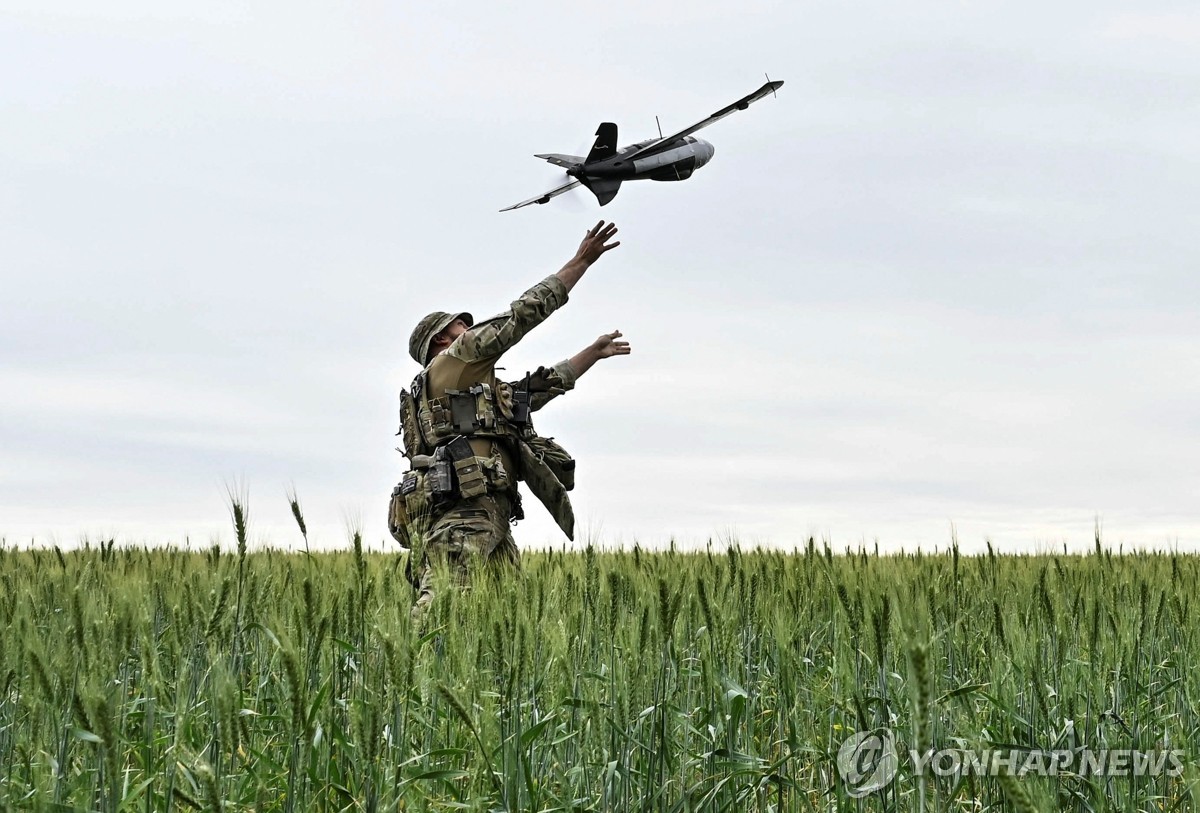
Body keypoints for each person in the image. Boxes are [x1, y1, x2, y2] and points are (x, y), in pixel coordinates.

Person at [391, 221, 627, 621]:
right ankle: (395, 672)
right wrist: (580, 263)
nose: (469, 327)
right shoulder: (457, 360)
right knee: (442, 600)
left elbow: (536, 390)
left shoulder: (462, 389)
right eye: (460, 325)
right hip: (466, 510)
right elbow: (521, 316)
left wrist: (593, 352)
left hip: (488, 509)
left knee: (507, 616)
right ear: (443, 340)